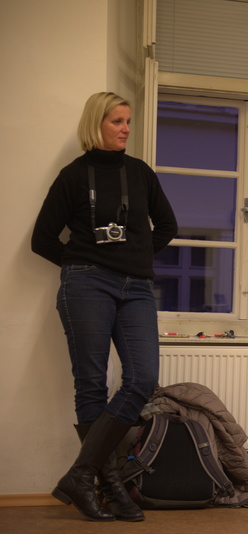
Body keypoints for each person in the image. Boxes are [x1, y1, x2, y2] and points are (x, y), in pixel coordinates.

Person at [31, 92, 177, 522]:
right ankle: (110, 487)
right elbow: (42, 239)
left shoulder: (140, 173)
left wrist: (133, 256)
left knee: (142, 378)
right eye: (117, 121)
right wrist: (82, 262)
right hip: (86, 284)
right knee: (92, 384)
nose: (126, 128)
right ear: (96, 124)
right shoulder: (74, 176)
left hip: (136, 289)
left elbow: (167, 225)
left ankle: (81, 475)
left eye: (128, 121)